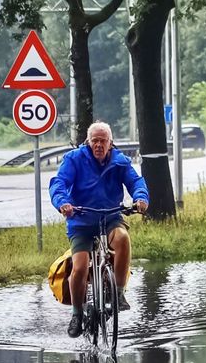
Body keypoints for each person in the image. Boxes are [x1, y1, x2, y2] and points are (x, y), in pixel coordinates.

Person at [49, 121, 149, 338]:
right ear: (88, 142)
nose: (99, 145)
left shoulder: (119, 161)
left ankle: (119, 294)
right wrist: (63, 203)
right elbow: (59, 183)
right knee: (80, 267)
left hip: (110, 217)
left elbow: (136, 181)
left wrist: (140, 198)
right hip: (81, 221)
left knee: (122, 238)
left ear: (110, 143)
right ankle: (77, 314)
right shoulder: (74, 159)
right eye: (95, 140)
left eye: (103, 141)